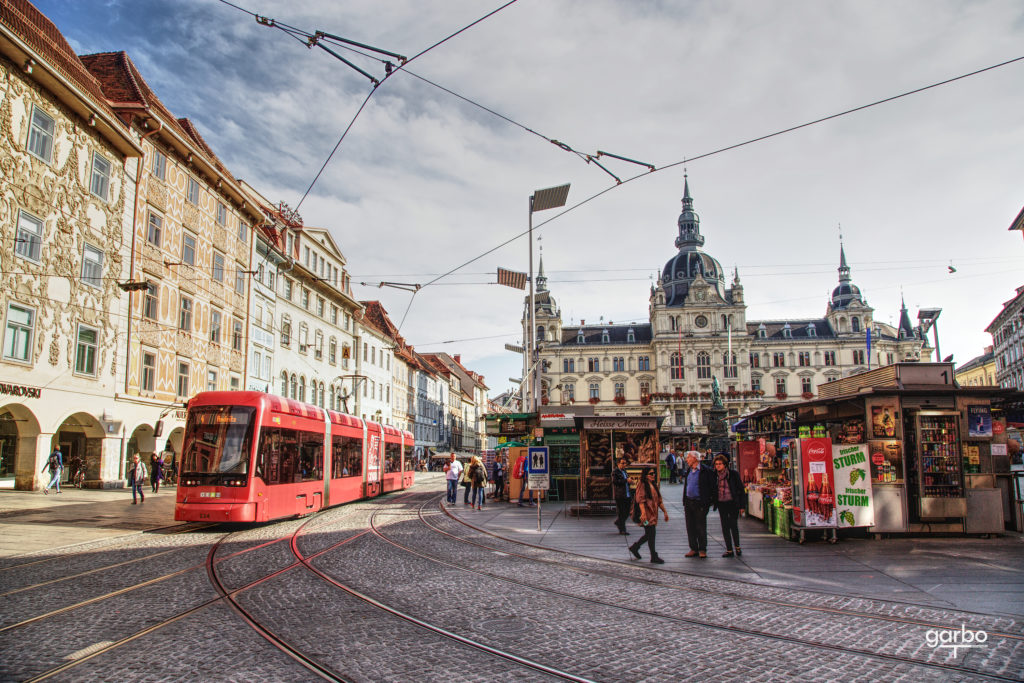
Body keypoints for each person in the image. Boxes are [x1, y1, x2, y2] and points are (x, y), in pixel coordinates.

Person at [628, 467, 668, 564]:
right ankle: (653, 556)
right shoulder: (642, 485)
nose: (653, 475)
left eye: (654, 473)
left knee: (649, 534)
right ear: (645, 476)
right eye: (651, 473)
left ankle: (635, 547)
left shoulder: (653, 484)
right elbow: (641, 500)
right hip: (646, 515)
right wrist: (643, 514)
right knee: (651, 533)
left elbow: (659, 500)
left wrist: (665, 512)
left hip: (653, 514)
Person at [682, 450, 715, 558]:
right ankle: (693, 548)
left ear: (695, 458)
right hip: (689, 502)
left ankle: (702, 549)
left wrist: (708, 502)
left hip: (700, 502)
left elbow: (712, 486)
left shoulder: (706, 471)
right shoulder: (689, 471)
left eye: (688, 457)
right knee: (690, 526)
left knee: (700, 526)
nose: (687, 460)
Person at [713, 454, 747, 557]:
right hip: (721, 504)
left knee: (733, 525)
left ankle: (737, 547)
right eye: (716, 464)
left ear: (725, 465)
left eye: (720, 464)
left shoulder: (733, 474)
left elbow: (741, 490)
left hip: (732, 503)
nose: (717, 466)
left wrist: (742, 506)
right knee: (724, 526)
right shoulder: (714, 475)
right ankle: (729, 549)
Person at [611, 457, 632, 535]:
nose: (624, 465)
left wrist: (629, 481)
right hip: (620, 495)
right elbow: (615, 482)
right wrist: (626, 480)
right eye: (622, 463)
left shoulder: (624, 471)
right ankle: (622, 529)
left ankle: (618, 522)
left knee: (627, 512)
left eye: (625, 463)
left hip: (627, 494)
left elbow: (626, 480)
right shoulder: (615, 472)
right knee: (622, 512)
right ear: (618, 464)